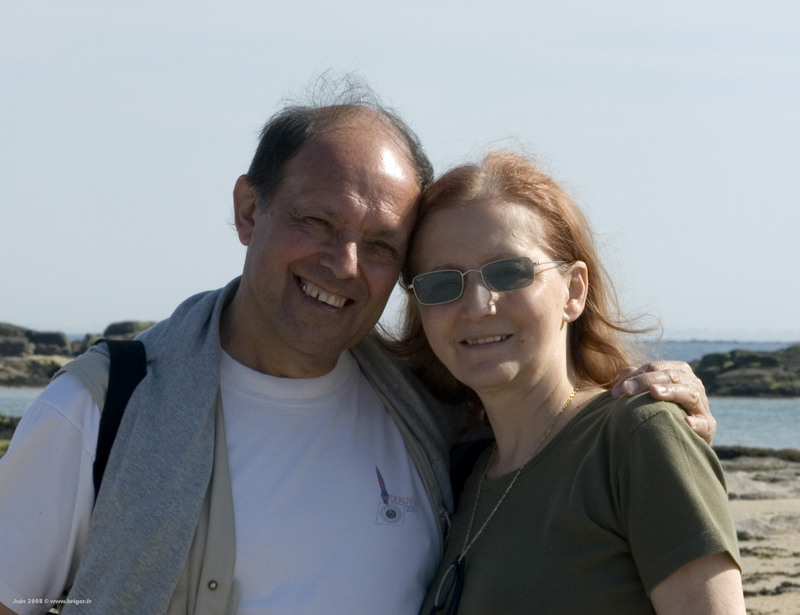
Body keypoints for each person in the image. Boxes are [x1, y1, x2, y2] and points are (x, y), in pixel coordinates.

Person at [0, 81, 715, 615]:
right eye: (318, 221)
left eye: (379, 245)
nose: (343, 265)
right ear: (249, 209)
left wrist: (656, 414)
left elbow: (561, 428)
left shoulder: (430, 417)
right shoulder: (101, 410)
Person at [387, 151, 745, 614]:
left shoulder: (637, 436)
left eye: (508, 272)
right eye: (441, 283)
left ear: (574, 290)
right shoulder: (463, 470)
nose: (476, 305)